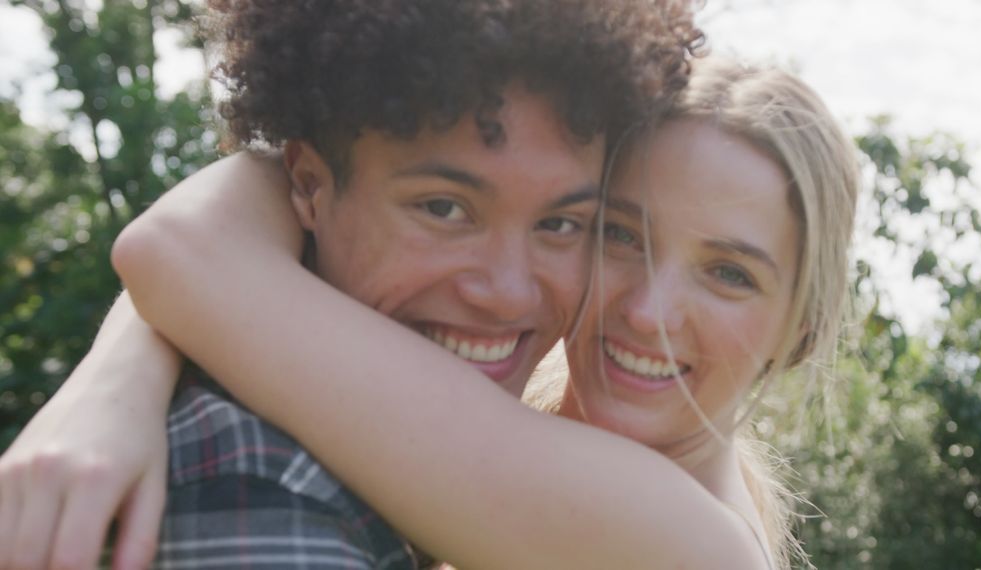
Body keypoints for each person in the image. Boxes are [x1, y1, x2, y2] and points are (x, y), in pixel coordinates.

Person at [0, 55, 859, 569]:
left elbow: (186, 254)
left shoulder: (682, 542)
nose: (648, 310)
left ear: (803, 330)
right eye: (618, 234)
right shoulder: (489, 451)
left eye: (729, 275)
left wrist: (117, 377)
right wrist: (128, 369)